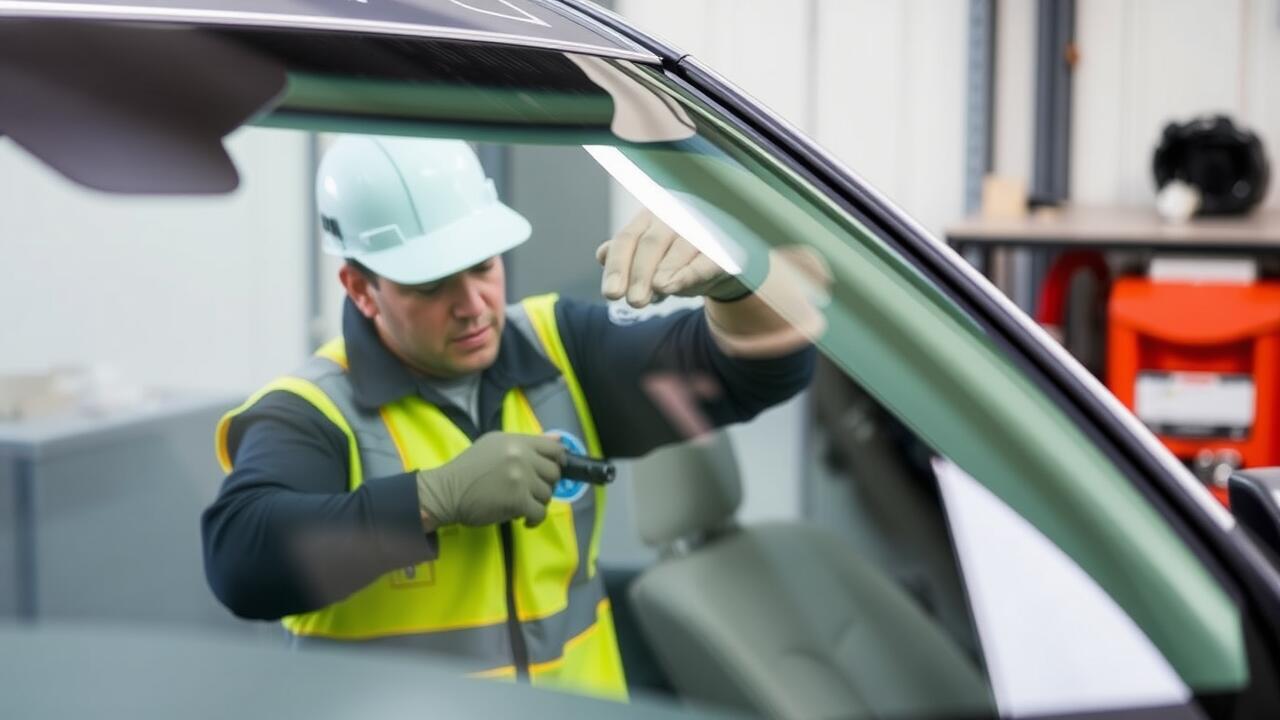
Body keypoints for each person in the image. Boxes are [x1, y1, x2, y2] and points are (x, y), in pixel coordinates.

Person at [201, 135, 814, 700]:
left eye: (483, 266)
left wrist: (740, 283)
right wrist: (432, 499)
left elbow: (752, 375)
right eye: (431, 284)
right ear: (361, 288)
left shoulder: (561, 348)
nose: (473, 305)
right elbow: (241, 564)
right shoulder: (311, 412)